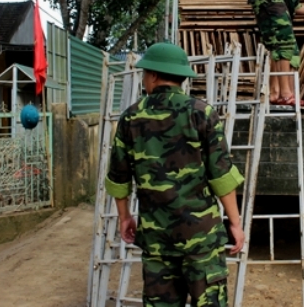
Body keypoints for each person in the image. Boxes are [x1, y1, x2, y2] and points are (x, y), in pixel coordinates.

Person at [105, 42, 245, 307]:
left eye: (145, 74)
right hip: (201, 240)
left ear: (154, 75)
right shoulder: (201, 113)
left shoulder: (131, 117)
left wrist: (125, 217)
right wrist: (235, 224)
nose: (144, 79)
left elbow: (119, 177)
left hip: (158, 239)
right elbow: (222, 176)